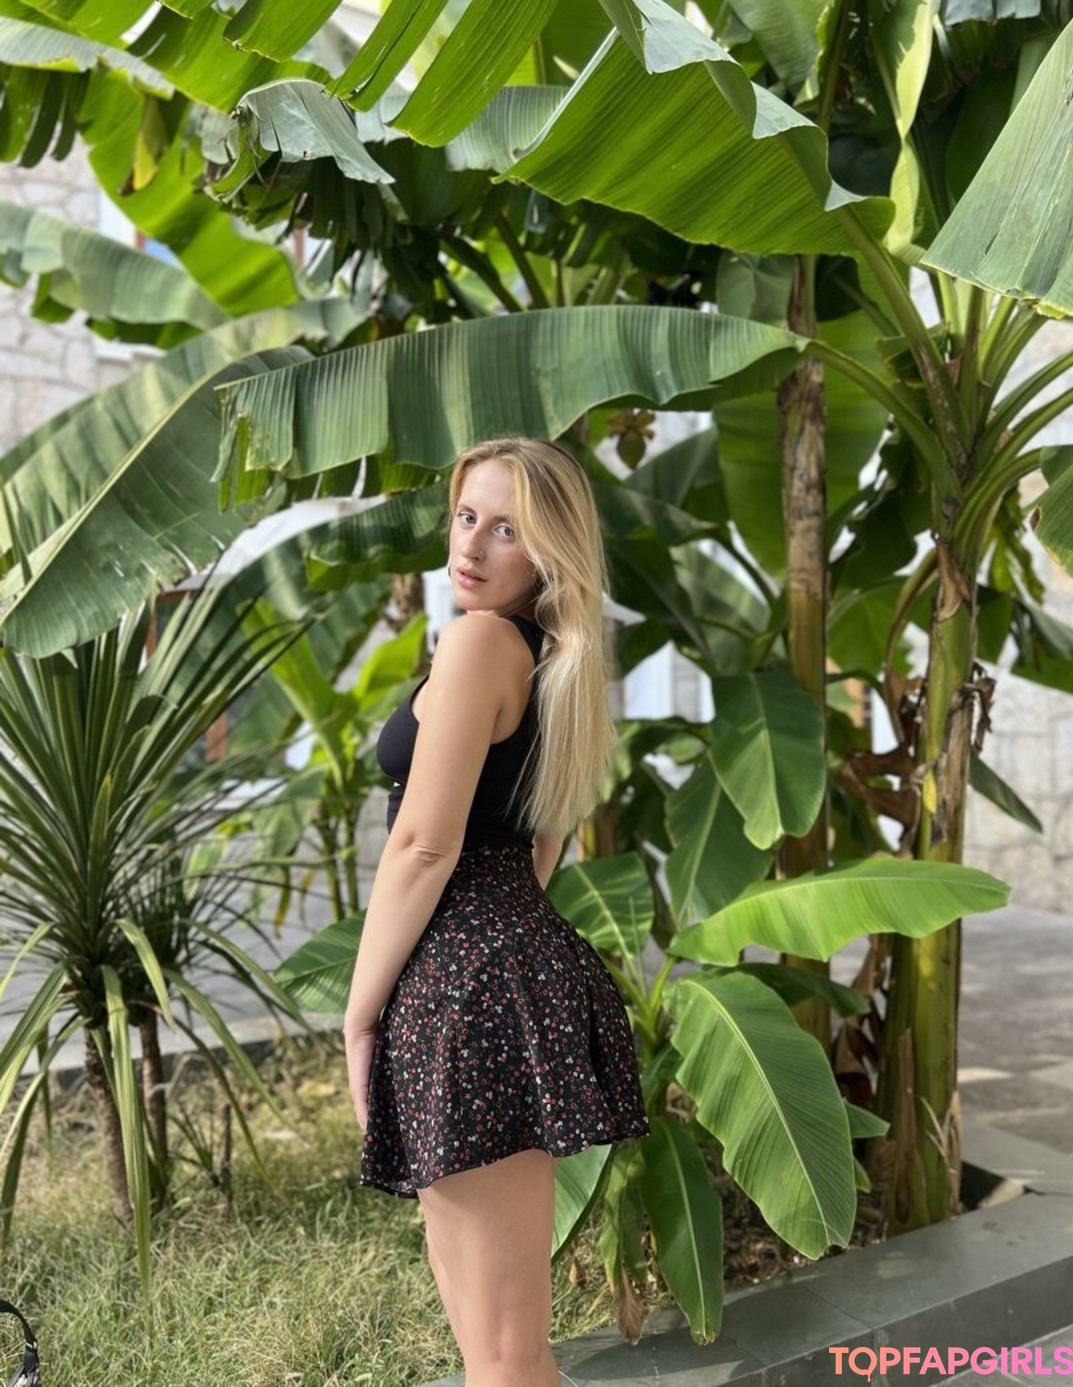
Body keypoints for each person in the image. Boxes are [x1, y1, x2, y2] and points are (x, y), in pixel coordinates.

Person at [343, 436, 650, 1387]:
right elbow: (542, 843)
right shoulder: (555, 659)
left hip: (464, 985)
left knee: (503, 1350)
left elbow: (424, 844)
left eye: (507, 529)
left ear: (551, 552)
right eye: (466, 516)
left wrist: (359, 1014)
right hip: (495, 966)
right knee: (502, 1342)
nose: (471, 545)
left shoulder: (481, 643)